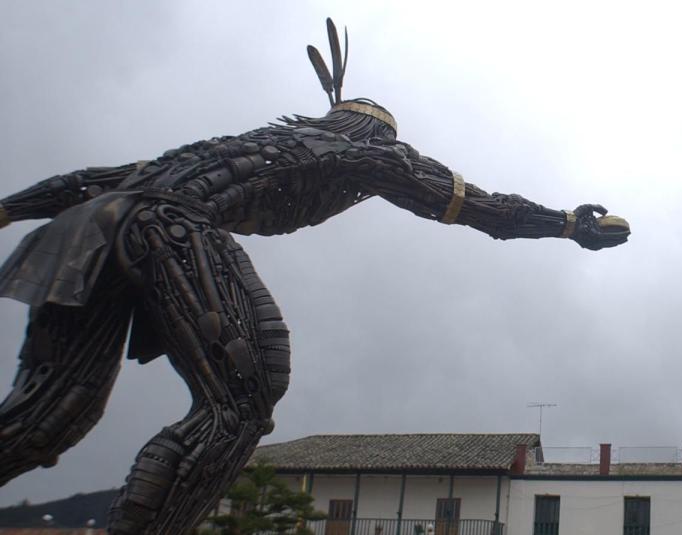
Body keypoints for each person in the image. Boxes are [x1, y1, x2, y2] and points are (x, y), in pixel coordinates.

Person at [0, 19, 628, 533]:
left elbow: (89, 183)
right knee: (241, 402)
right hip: (171, 227)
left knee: (43, 419)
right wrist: (567, 223)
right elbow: (481, 208)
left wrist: (8, 209)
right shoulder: (376, 154)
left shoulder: (229, 145)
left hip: (90, 229)